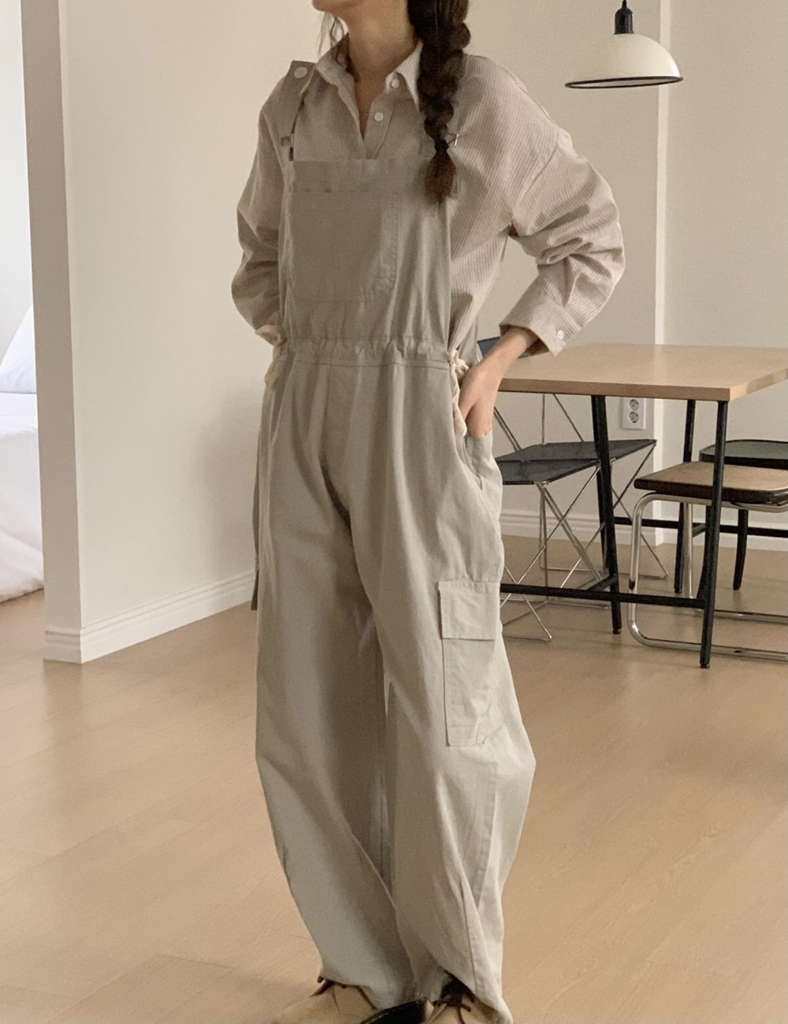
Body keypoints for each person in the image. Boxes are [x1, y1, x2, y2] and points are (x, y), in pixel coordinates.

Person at [231, 1, 625, 1022]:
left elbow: (590, 239)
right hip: (302, 415)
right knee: (305, 709)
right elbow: (259, 261)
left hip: (423, 417)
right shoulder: (294, 105)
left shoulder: (484, 101)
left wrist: (497, 359)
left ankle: (457, 977)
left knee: (450, 707)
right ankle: (361, 964)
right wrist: (310, 352)